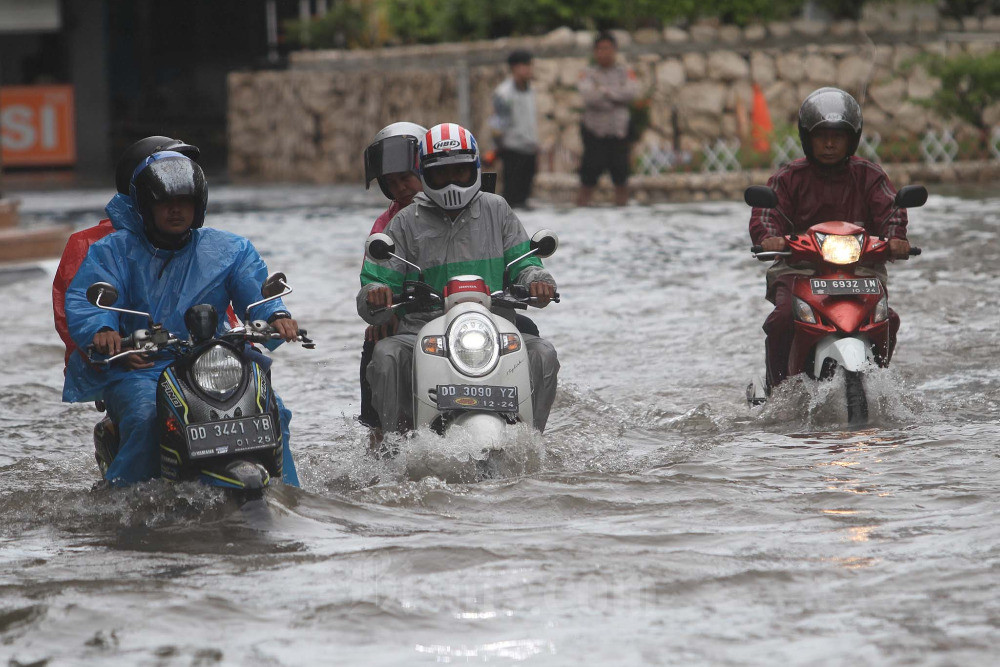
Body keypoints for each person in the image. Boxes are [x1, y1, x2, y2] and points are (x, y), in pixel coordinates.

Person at [63, 151, 302, 487]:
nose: (175, 210)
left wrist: (277, 316)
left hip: (213, 361)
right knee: (148, 419)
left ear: (198, 205)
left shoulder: (231, 249)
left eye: (184, 201)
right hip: (143, 367)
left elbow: (258, 293)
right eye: (164, 202)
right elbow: (87, 297)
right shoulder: (113, 250)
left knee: (274, 411)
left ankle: (289, 497)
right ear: (146, 206)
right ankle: (116, 505)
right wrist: (102, 329)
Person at [358, 123, 559, 433]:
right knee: (385, 355)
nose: (451, 181)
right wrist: (376, 293)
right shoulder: (402, 223)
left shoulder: (498, 210)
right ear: (426, 173)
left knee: (543, 354)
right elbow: (375, 279)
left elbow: (526, 262)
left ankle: (532, 440)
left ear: (474, 168)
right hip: (421, 333)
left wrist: (538, 279)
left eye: (459, 172)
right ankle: (392, 444)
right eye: (441, 174)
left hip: (492, 326)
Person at [749, 87, 911, 390]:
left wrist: (896, 238)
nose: (829, 143)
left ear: (853, 138)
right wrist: (770, 237)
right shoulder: (788, 178)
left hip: (859, 269)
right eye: (821, 135)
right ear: (806, 137)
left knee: (888, 318)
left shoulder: (869, 176)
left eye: (838, 136)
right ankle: (778, 391)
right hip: (799, 269)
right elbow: (766, 213)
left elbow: (892, 210)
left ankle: (879, 382)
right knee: (783, 318)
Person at [53, 136, 201, 369]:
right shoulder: (96, 245)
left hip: (198, 361)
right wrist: (113, 350)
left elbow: (219, 303)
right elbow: (78, 313)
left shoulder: (200, 243)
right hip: (126, 364)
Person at [360, 121, 428, 430]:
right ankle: (378, 433)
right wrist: (382, 308)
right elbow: (373, 277)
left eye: (406, 178)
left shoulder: (468, 212)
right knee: (375, 343)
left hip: (463, 312)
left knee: (525, 330)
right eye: (392, 182)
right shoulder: (384, 225)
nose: (401, 187)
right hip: (407, 318)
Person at [576, 31, 639, 207]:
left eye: (608, 48)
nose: (604, 52)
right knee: (587, 179)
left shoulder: (625, 72)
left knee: (621, 178)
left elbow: (631, 93)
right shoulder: (587, 73)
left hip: (618, 132)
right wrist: (615, 97)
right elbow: (589, 97)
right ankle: (581, 212)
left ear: (615, 50)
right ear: (595, 51)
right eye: (600, 49)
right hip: (594, 132)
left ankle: (622, 211)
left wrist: (604, 91)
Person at [490, 49, 539, 209]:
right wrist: (497, 148)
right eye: (524, 65)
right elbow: (498, 123)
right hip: (512, 150)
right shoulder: (504, 93)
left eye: (529, 65)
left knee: (525, 196)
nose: (528, 69)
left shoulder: (530, 90)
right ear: (514, 68)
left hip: (529, 149)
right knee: (512, 196)